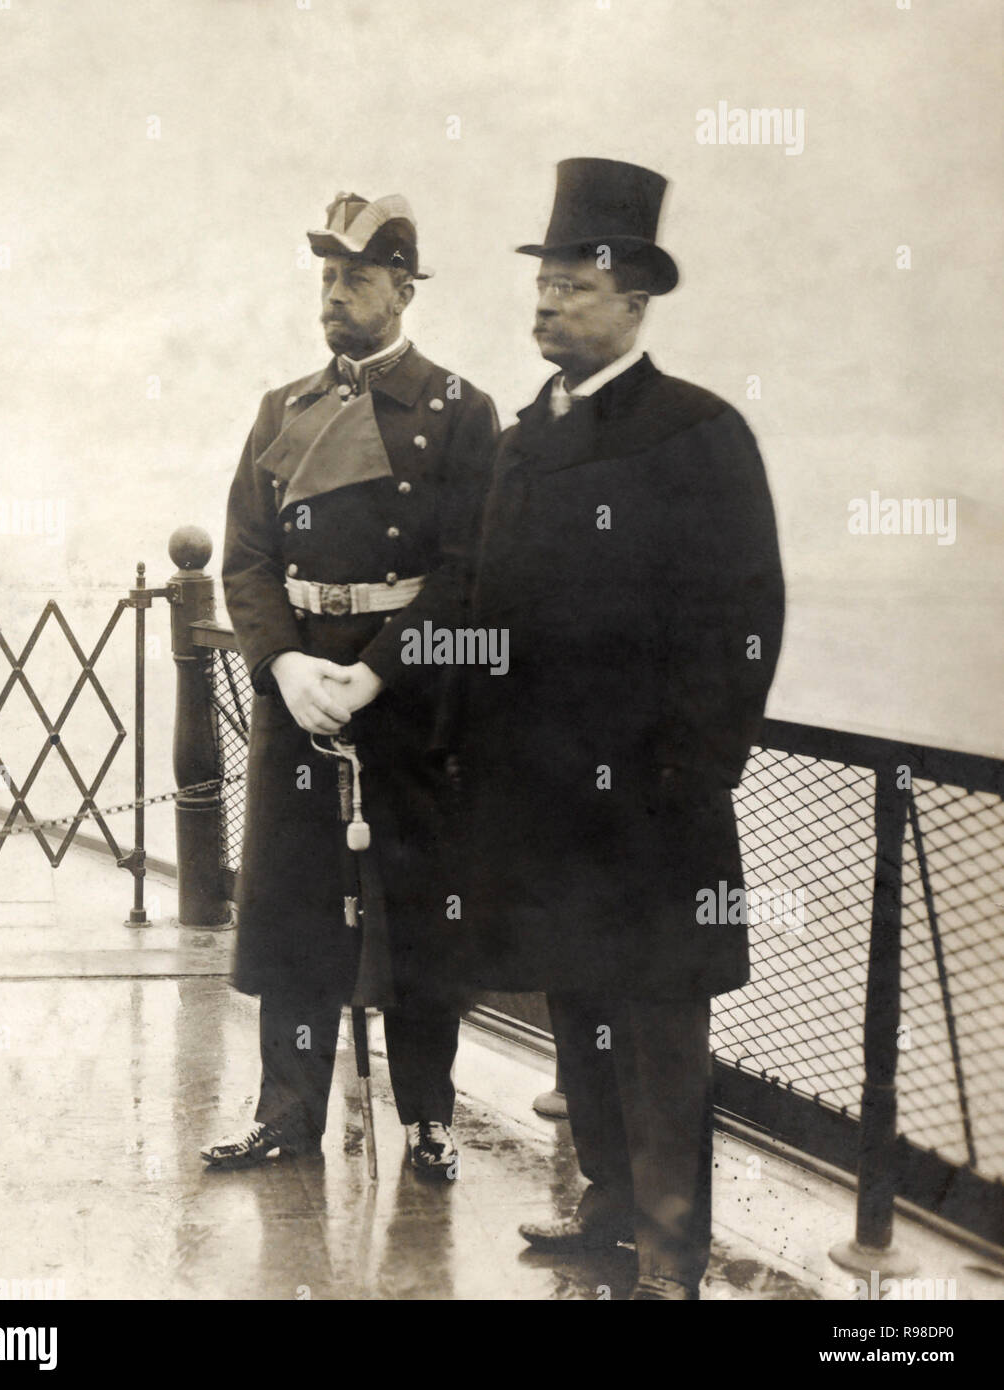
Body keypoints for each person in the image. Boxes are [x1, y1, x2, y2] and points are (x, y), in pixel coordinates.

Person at [457, 158, 785, 1296]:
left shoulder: (700, 432)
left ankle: (673, 1252)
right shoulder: (523, 442)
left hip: (656, 808)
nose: (546, 303)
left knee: (659, 1032)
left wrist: (695, 769)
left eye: (573, 285)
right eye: (541, 284)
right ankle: (606, 1209)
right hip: (544, 800)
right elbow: (490, 614)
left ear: (635, 302)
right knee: (577, 1006)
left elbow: (746, 621)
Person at [204, 191, 498, 1176]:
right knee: (292, 904)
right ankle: (286, 1116)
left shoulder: (462, 412)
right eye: (328, 277)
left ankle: (429, 1119)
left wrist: (372, 677)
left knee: (417, 907)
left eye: (358, 277)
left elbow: (466, 571)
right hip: (297, 698)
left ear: (405, 288)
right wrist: (284, 663)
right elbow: (244, 559)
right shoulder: (280, 410)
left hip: (406, 697)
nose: (336, 295)